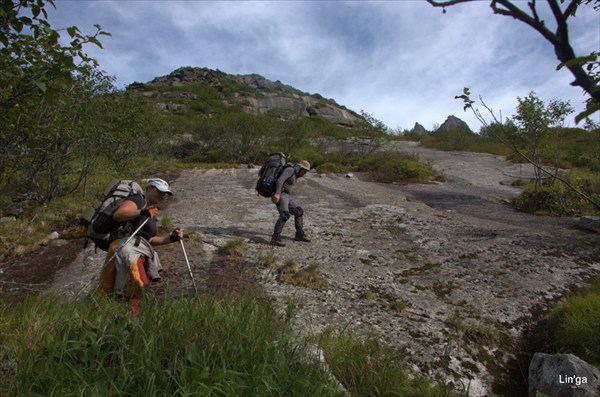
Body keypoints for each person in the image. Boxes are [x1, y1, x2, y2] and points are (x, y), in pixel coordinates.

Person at [98, 178, 183, 312]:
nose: (162, 196)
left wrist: (170, 238)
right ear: (149, 189)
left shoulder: (150, 212)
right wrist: (142, 212)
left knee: (134, 287)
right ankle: (129, 318)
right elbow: (119, 215)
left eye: (164, 194)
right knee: (136, 284)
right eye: (159, 192)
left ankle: (126, 319)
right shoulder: (138, 200)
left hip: (138, 250)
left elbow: (148, 240)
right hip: (127, 250)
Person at [270, 160, 311, 246]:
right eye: (305, 170)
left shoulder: (296, 174)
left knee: (299, 211)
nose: (305, 173)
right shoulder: (290, 170)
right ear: (300, 168)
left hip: (287, 196)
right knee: (285, 214)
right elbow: (280, 181)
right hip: (281, 194)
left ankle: (299, 235)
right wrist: (277, 193)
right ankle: (275, 238)